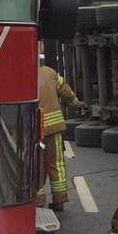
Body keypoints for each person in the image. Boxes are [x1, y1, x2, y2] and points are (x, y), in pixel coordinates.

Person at [37, 63, 83, 211]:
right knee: (56, 162)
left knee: (35, 163)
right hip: (54, 127)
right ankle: (59, 199)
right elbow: (65, 90)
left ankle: (38, 200)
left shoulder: (23, 75)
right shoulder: (50, 72)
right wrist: (76, 104)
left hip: (34, 129)